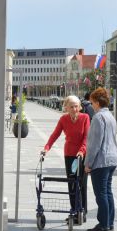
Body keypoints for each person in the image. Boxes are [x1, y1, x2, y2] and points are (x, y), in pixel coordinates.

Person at [41, 95, 90, 223]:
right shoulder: (63, 119)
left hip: (82, 156)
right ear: (66, 107)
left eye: (76, 106)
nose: (74, 109)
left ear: (79, 107)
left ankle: (82, 211)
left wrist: (82, 151)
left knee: (81, 183)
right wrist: (46, 148)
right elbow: (55, 134)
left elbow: (86, 138)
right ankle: (74, 210)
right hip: (69, 155)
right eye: (71, 106)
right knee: (72, 183)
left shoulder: (85, 118)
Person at [84, 87, 117, 231]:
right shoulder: (110, 116)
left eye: (92, 102)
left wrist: (88, 163)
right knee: (108, 192)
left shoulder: (98, 118)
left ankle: (103, 224)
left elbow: (94, 143)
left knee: (101, 194)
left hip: (101, 160)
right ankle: (110, 222)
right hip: (112, 159)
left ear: (98, 103)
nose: (91, 105)